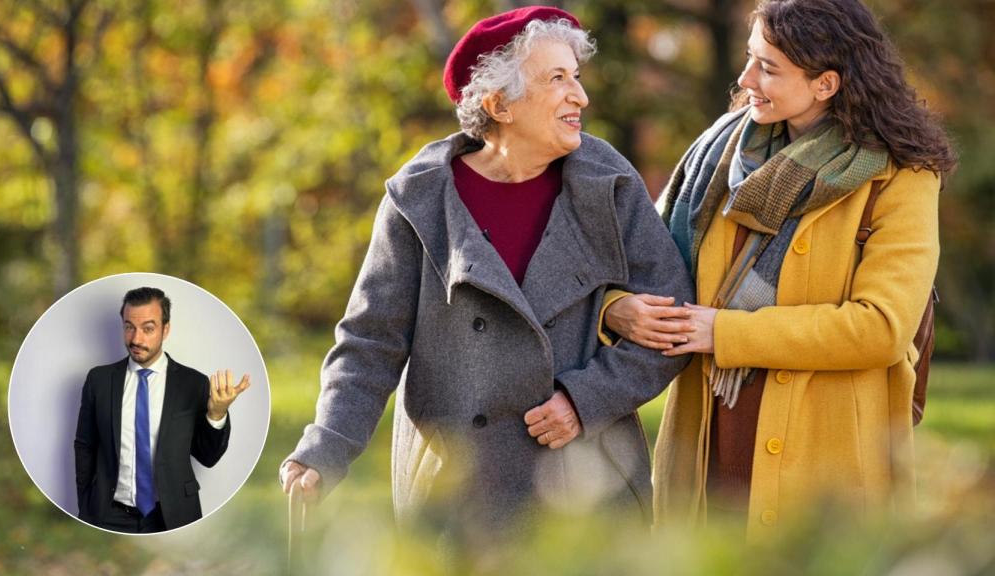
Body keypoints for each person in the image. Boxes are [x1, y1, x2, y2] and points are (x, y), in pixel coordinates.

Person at [281, 6, 693, 546]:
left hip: (588, 486)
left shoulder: (608, 182)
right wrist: (325, 446)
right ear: (499, 104)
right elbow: (370, 342)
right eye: (557, 79)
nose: (580, 96)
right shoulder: (420, 199)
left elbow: (673, 321)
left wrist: (585, 399)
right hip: (458, 491)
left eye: (576, 76)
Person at [601, 0, 955, 538]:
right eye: (749, 58)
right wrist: (617, 307)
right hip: (708, 440)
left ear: (825, 84)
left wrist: (725, 333)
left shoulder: (900, 177)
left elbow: (881, 327)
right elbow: (640, 264)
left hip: (825, 460)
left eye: (768, 68)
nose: (745, 79)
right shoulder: (718, 157)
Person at [74, 287, 250, 533]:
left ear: (165, 329)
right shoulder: (99, 380)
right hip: (108, 515)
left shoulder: (193, 383)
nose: (136, 339)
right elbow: (85, 446)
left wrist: (217, 414)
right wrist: (85, 506)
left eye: (148, 329)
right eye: (129, 327)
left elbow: (208, 457)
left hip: (174, 516)